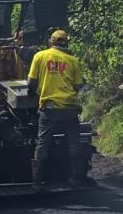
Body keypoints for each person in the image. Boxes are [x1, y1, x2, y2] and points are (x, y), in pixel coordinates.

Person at [27, 29, 85, 190]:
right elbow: (79, 85)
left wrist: (32, 95)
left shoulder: (40, 56)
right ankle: (76, 179)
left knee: (42, 143)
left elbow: (31, 83)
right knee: (74, 143)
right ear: (66, 42)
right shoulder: (73, 60)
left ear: (50, 41)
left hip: (49, 108)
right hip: (70, 107)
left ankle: (37, 182)